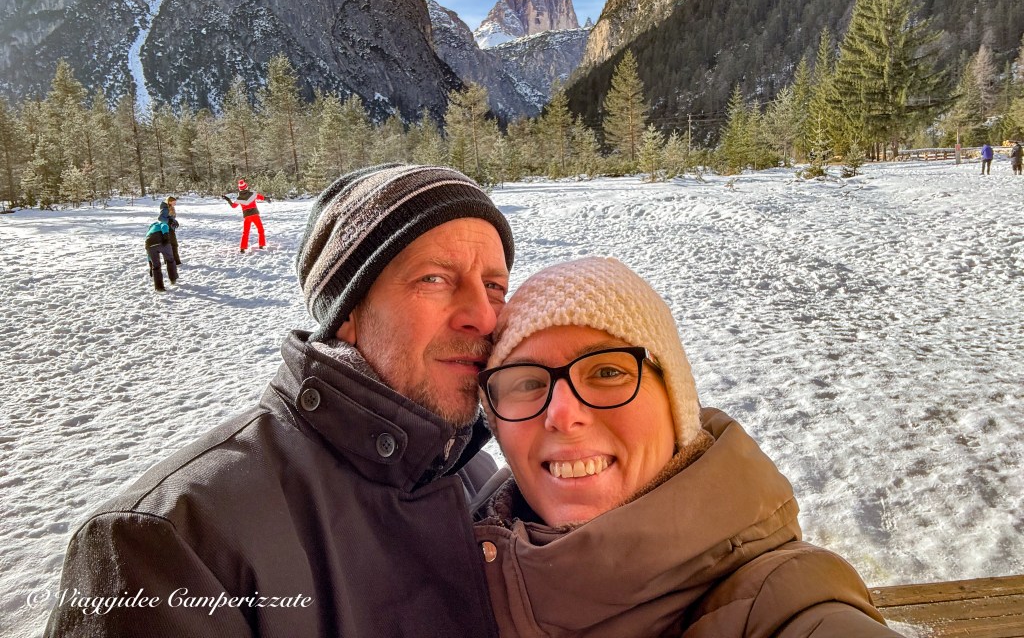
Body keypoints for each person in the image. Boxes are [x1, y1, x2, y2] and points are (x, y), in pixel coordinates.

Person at [46, 164, 515, 638]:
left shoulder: (472, 472)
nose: (482, 315)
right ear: (346, 312)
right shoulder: (170, 543)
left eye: (495, 286)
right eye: (433, 279)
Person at [474, 257, 903, 637]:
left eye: (607, 372)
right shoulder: (461, 553)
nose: (562, 414)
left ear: (675, 403)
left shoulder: (776, 600)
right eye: (527, 382)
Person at [222, 178, 267, 252]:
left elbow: (233, 206)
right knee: (260, 230)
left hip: (247, 217)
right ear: (246, 187)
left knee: (245, 232)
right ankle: (261, 245)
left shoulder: (239, 199)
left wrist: (228, 200)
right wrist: (266, 198)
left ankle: (242, 248)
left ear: (240, 189)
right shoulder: (252, 194)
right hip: (255, 215)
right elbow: (261, 197)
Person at [144, 219, 178, 292]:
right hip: (162, 241)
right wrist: (166, 236)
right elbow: (164, 226)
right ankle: (173, 279)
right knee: (170, 260)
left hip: (150, 245)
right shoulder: (159, 224)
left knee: (156, 266)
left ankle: (159, 288)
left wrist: (150, 265)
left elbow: (147, 251)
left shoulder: (148, 233)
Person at [158, 195, 182, 265]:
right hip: (167, 229)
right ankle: (176, 262)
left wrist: (175, 221)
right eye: (174, 202)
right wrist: (169, 221)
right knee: (173, 245)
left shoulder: (170, 208)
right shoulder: (165, 209)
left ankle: (169, 261)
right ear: (170, 202)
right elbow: (160, 218)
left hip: (170, 229)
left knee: (169, 245)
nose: (175, 204)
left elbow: (170, 218)